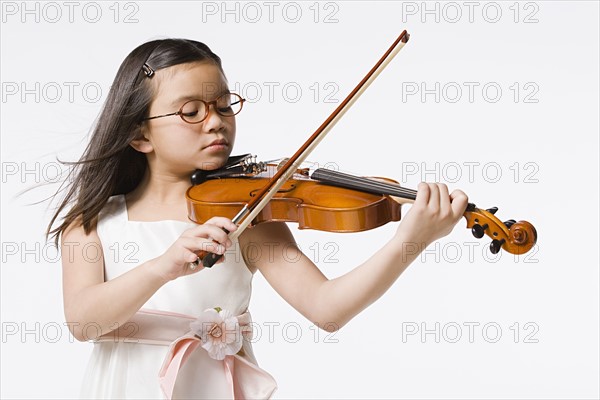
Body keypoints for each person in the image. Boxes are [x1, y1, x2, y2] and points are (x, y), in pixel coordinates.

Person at [47, 38, 468, 399]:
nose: (216, 122)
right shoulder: (91, 223)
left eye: (224, 105)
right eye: (191, 111)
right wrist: (163, 267)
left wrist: (412, 239)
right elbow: (84, 322)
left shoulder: (247, 217)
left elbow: (328, 308)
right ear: (140, 134)